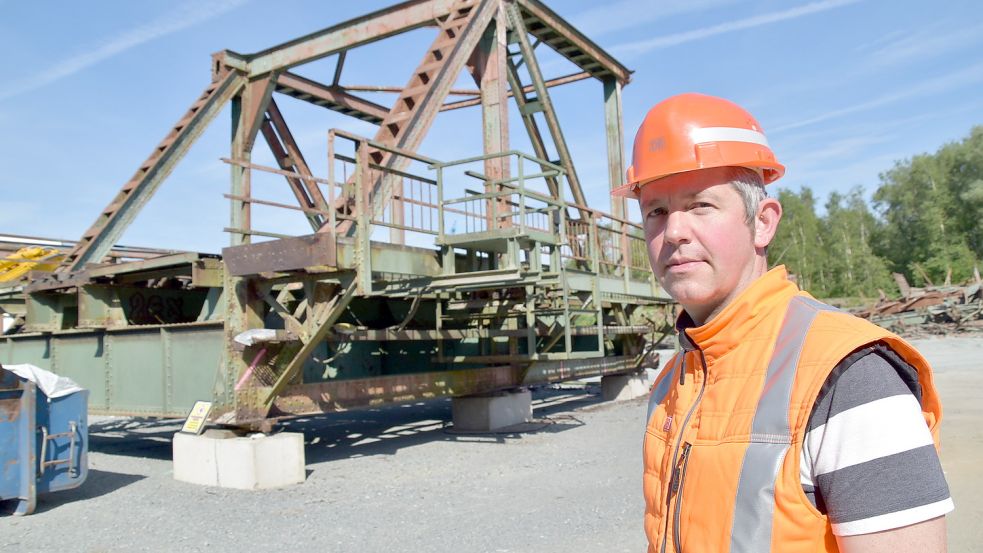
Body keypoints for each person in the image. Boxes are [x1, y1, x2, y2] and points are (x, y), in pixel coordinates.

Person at [613, 93, 953, 553]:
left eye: (700, 206)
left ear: (763, 223)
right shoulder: (674, 382)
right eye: (656, 211)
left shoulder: (849, 377)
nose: (673, 231)